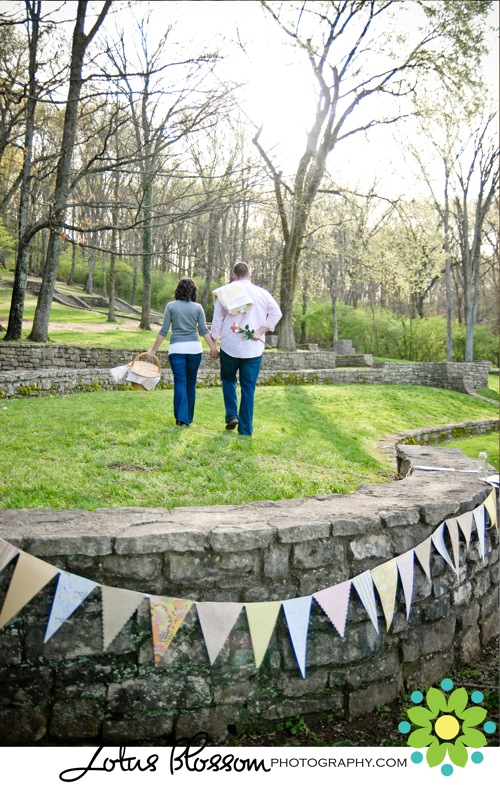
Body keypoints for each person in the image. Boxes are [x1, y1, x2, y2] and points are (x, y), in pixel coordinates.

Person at [209, 262, 282, 436]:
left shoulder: (224, 292)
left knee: (228, 379)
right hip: (253, 349)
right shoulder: (262, 294)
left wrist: (213, 344)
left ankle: (232, 415)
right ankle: (246, 430)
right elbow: (277, 313)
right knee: (248, 388)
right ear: (249, 275)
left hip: (230, 345)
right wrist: (260, 331)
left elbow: (217, 321)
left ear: (234, 276)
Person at [147, 278, 218, 426]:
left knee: (180, 382)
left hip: (177, 350)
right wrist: (213, 348)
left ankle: (181, 417)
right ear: (193, 292)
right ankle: (188, 418)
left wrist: (153, 350)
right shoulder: (198, 308)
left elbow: (164, 330)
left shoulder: (170, 306)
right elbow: (204, 330)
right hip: (194, 349)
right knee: (191, 383)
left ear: (177, 290)